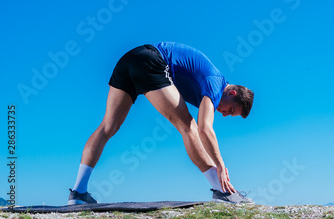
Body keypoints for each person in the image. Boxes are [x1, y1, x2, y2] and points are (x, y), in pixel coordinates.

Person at [68, 42, 254, 205]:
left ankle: (78, 193)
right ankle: (222, 191)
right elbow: (205, 128)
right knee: (188, 127)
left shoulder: (212, 88)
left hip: (129, 59)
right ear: (232, 94)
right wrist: (220, 165)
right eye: (230, 110)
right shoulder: (216, 83)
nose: (224, 114)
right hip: (151, 60)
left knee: (107, 127)